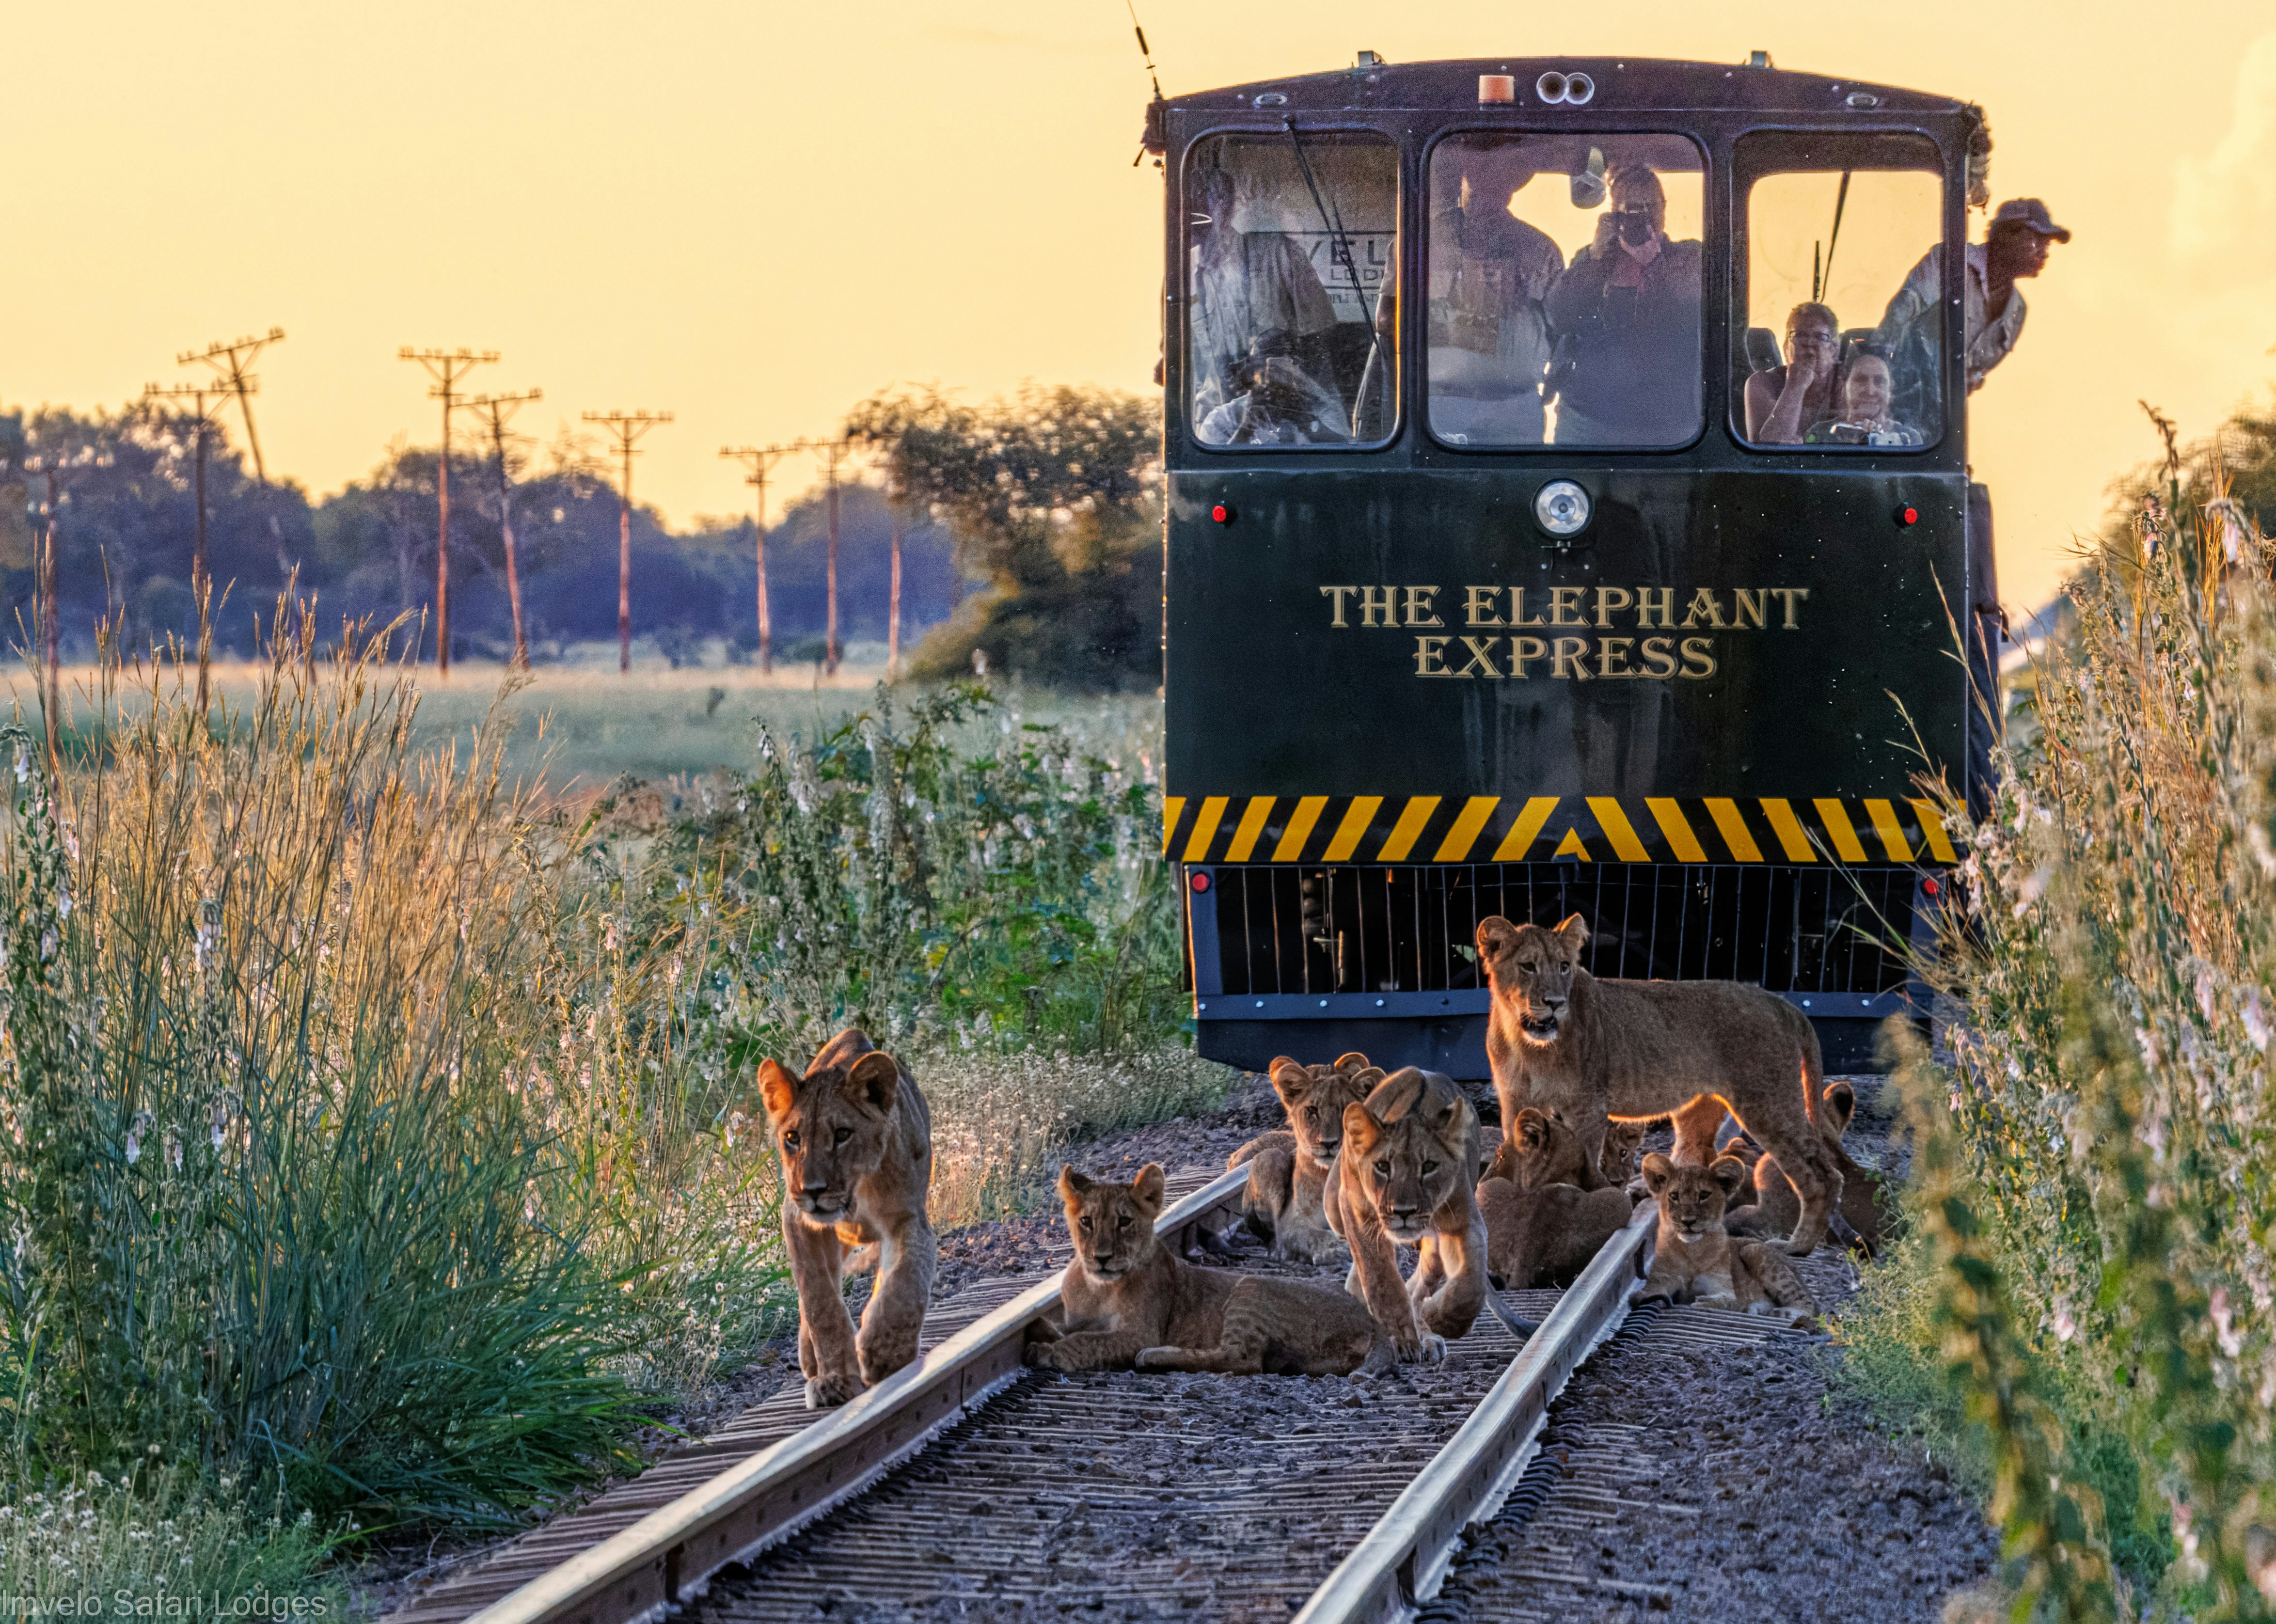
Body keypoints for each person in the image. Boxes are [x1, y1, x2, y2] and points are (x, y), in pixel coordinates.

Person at [1877, 197, 2069, 823]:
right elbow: (1898, 319)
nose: (2043, 252)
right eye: (2037, 240)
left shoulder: (2016, 311)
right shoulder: (1948, 263)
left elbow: (1973, 379)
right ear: (2006, 236)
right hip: (1899, 403)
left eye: (2047, 243)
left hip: (1942, 427)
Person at [1542, 164, 1704, 445]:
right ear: (1613, 213)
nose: (1641, 218)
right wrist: (1595, 257)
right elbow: (1559, 316)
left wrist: (1654, 262)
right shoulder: (1593, 258)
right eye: (1629, 209)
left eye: (1648, 208)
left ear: (1664, 209)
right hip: (1588, 420)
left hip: (1665, 426)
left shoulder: (1687, 256)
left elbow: (1695, 311)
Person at [1187, 161, 1344, 440]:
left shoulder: (1281, 254)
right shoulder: (1180, 279)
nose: (1185, 213)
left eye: (1195, 202)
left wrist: (1276, 367)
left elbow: (1323, 337)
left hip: (1295, 418)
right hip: (1216, 431)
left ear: (1224, 204)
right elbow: (1175, 364)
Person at [1428, 150, 1564, 444]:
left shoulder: (1540, 249)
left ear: (1511, 192)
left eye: (1500, 183)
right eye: (1480, 180)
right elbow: (1387, 320)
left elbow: (1562, 328)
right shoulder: (1420, 242)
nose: (1490, 193)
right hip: (1437, 409)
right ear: (1461, 181)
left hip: (1514, 409)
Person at [1196, 334, 1352, 446]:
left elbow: (1346, 460)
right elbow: (1215, 476)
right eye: (1261, 365)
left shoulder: (1321, 408)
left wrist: (1307, 421)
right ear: (1252, 371)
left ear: (1297, 368)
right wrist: (1247, 427)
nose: (1271, 374)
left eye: (1283, 366)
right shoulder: (1225, 419)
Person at [1742, 302, 1841, 444]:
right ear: (1786, 348)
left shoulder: (1849, 383)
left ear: (1834, 350)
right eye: (1800, 335)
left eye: (1820, 337)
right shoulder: (1763, 384)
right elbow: (1770, 448)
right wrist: (1796, 386)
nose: (1809, 343)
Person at [1803, 350, 1922, 446]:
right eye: (1860, 380)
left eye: (1880, 381)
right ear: (1844, 388)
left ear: (1890, 391)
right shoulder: (1820, 434)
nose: (1870, 392)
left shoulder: (1909, 439)